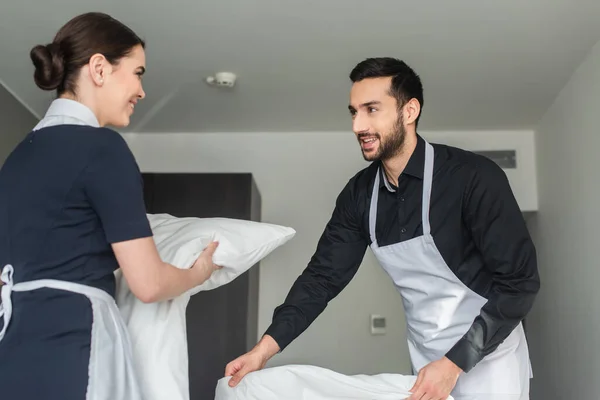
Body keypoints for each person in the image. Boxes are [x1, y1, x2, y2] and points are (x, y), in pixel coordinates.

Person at [225, 57, 540, 400]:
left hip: (491, 355)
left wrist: (454, 364)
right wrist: (263, 350)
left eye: (371, 109)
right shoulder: (358, 196)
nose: (358, 125)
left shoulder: (474, 178)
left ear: (409, 111)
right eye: (353, 112)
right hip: (426, 356)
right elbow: (321, 279)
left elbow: (519, 284)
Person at [0, 12, 221, 400]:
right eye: (138, 73)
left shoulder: (16, 159)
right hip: (73, 344)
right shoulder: (102, 149)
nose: (142, 91)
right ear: (99, 68)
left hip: (12, 349)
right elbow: (149, 283)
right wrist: (200, 273)